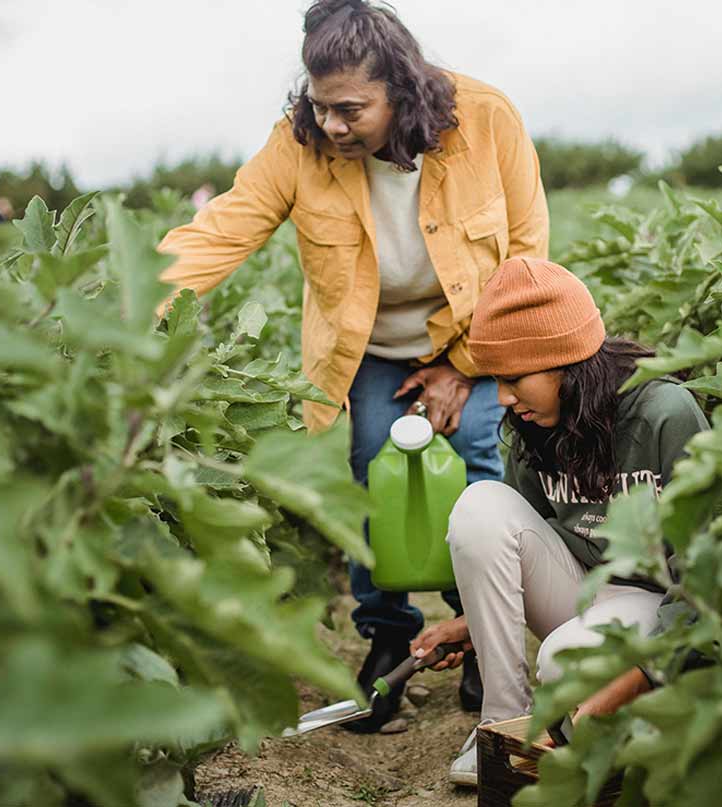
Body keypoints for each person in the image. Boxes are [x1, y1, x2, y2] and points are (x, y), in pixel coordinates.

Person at [154, 0, 549, 733]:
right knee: (373, 473)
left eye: (350, 109)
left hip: (472, 331)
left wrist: (462, 365)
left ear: (399, 87)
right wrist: (133, 305)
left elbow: (527, 249)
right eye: (319, 104)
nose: (331, 124)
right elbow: (223, 228)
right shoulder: (297, 145)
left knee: (473, 466)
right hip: (368, 344)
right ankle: (388, 636)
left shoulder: (487, 118)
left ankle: (480, 634)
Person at [409, 256, 709, 786]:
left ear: (566, 362)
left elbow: (707, 575)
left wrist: (636, 676)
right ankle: (502, 730)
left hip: (659, 604)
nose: (503, 397)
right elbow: (522, 543)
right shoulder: (533, 425)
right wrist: (476, 625)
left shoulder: (666, 413)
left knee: (568, 660)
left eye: (513, 379)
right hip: (587, 590)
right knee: (480, 504)